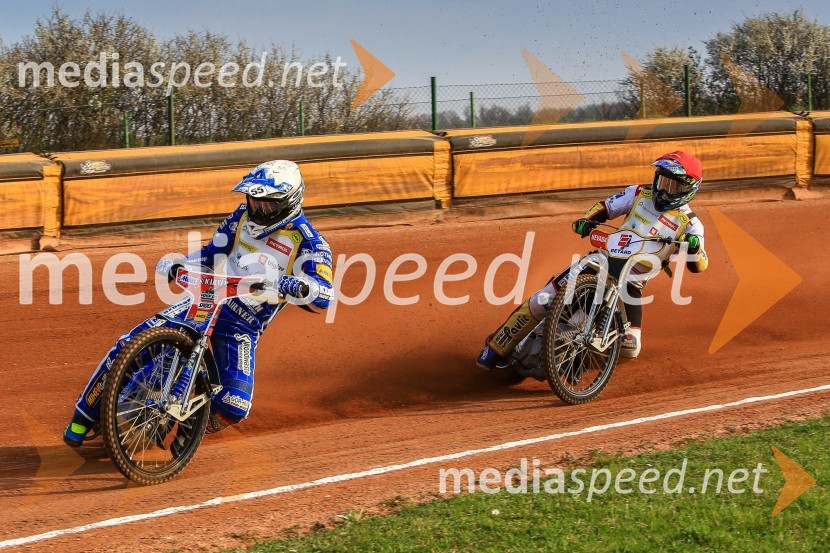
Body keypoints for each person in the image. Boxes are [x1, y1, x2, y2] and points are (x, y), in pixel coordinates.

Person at [63, 160, 335, 446]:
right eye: (254, 201)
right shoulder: (242, 215)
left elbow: (325, 296)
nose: (257, 209)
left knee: (233, 406)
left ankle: (186, 432)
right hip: (208, 300)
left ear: (288, 202)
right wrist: (180, 262)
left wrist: (301, 285)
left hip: (242, 327)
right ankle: (80, 421)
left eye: (266, 204)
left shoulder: (311, 243)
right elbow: (210, 255)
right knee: (131, 343)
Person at [477, 150, 709, 369]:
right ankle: (494, 351)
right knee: (544, 299)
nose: (664, 189)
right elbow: (606, 207)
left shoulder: (691, 224)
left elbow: (700, 265)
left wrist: (695, 247)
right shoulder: (639, 193)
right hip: (601, 262)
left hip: (631, 286)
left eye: (673, 185)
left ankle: (577, 367)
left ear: (688, 189)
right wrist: (586, 220)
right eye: (662, 181)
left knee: (631, 348)